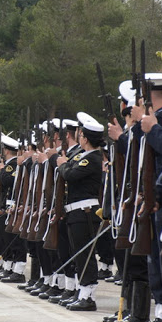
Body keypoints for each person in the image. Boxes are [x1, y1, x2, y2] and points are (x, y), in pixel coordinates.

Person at [56, 118, 105, 311]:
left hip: (85, 212)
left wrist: (61, 164)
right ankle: (81, 292)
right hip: (75, 211)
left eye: (81, 134)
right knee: (78, 254)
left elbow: (70, 175)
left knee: (85, 254)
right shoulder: (82, 156)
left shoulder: (92, 158)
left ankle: (88, 296)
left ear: (85, 138)